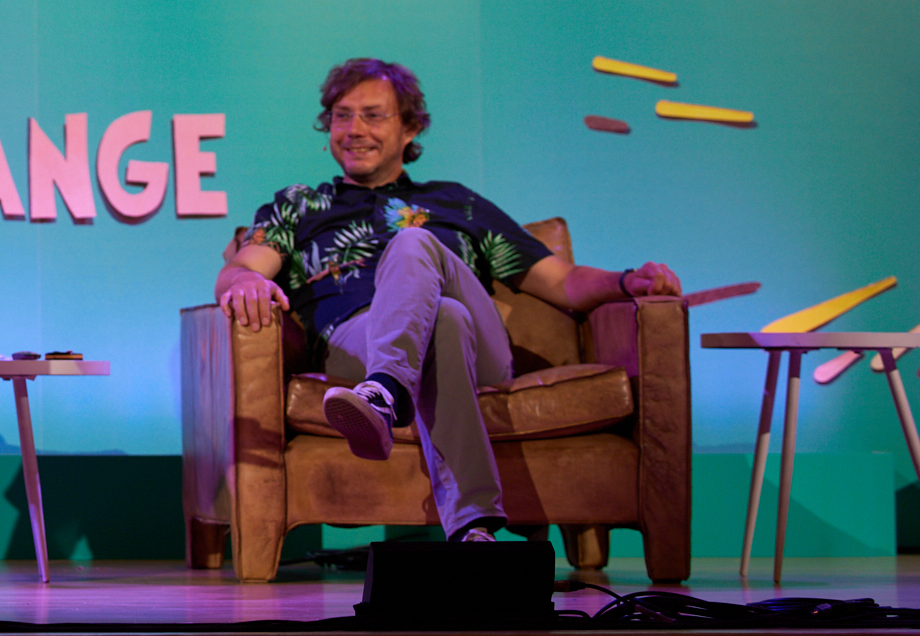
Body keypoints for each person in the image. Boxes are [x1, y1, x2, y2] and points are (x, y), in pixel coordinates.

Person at [211, 58, 680, 542]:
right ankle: (475, 528)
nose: (354, 130)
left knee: (415, 244)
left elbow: (563, 282)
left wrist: (628, 282)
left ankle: (385, 391)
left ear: (410, 128)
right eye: (341, 115)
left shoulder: (456, 202)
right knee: (446, 318)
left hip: (484, 355)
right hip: (354, 341)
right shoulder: (299, 205)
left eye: (373, 115)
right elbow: (243, 268)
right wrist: (242, 284)